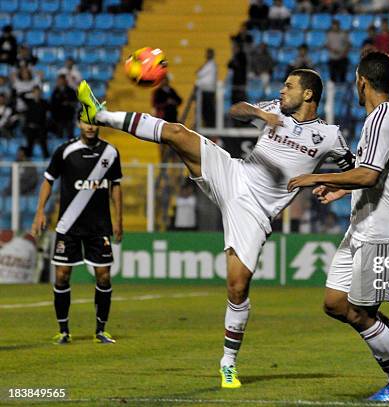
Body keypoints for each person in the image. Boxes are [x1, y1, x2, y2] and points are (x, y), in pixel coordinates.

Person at [75, 68, 357, 388]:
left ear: (308, 94)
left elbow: (357, 171)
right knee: (178, 133)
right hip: (233, 174)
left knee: (237, 289)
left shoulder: (330, 135)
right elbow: (235, 110)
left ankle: (228, 363)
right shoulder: (275, 109)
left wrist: (341, 189)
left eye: (289, 87)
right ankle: (99, 114)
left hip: (255, 213)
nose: (282, 91)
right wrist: (259, 114)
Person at [288, 51, 389, 402]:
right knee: (336, 303)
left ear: (361, 81)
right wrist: (340, 186)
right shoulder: (378, 119)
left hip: (381, 231)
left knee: (360, 312)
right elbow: (372, 175)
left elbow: (369, 174)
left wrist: (316, 176)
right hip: (362, 227)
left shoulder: (383, 118)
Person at [31, 119, 123, 345]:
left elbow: (116, 185)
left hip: (99, 226)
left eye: (93, 122)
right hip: (68, 225)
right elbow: (48, 180)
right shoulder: (65, 151)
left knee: (103, 276)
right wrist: (40, 212)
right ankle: (63, 331)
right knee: (62, 275)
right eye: (85, 122)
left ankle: (101, 330)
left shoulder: (110, 152)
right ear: (78, 124)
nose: (90, 127)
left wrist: (119, 219)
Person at [23, 86, 50, 158]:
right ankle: (28, 160)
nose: (37, 94)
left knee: (44, 144)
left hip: (41, 127)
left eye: (38, 92)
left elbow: (49, 113)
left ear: (40, 93)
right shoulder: (29, 102)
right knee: (29, 145)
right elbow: (21, 95)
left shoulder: (44, 103)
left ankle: (46, 160)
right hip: (31, 127)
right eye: (35, 92)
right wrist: (30, 92)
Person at [50, 74, 78, 139]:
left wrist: (68, 103)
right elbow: (53, 104)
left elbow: (75, 102)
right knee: (59, 136)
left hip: (69, 117)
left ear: (65, 81)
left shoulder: (71, 91)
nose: (60, 82)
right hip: (59, 118)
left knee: (70, 136)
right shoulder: (55, 91)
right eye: (59, 80)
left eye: (61, 80)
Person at [195, 48, 217, 128]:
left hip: (208, 91)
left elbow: (199, 73)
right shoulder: (209, 64)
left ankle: (210, 126)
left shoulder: (211, 65)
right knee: (205, 110)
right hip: (205, 91)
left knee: (208, 111)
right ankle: (207, 125)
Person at [326, 19, 350, 83]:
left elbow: (348, 44)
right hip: (332, 57)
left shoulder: (343, 34)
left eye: (336, 25)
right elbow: (327, 45)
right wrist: (332, 50)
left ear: (338, 25)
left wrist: (344, 53)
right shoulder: (329, 34)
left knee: (342, 76)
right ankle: (333, 87)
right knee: (332, 76)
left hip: (342, 57)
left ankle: (343, 88)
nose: (335, 27)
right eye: (333, 26)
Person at [227, 41, 248, 105]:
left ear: (238, 48)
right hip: (235, 81)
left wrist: (234, 58)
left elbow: (239, 66)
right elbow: (229, 65)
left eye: (234, 48)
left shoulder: (242, 56)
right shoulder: (235, 56)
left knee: (241, 100)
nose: (233, 49)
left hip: (241, 81)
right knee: (234, 100)